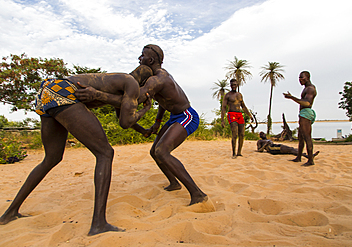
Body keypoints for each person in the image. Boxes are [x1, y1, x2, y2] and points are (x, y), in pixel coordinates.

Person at [0, 65, 153, 236]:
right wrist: (145, 108)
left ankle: (10, 213)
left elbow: (121, 117)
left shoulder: (122, 83)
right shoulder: (131, 83)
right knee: (105, 153)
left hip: (48, 92)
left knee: (51, 158)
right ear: (144, 83)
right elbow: (126, 121)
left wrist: (143, 131)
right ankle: (99, 224)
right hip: (65, 93)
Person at [76, 45, 212, 208]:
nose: (139, 59)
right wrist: (157, 122)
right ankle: (174, 182)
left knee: (162, 151)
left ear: (151, 60)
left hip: (187, 116)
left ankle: (198, 194)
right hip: (175, 116)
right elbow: (163, 101)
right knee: (154, 152)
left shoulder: (156, 80)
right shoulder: (157, 77)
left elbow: (132, 101)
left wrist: (98, 95)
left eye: (141, 56)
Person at [283, 71, 317, 166]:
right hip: (303, 114)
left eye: (302, 78)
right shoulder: (306, 89)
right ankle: (298, 157)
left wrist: (292, 98)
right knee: (301, 137)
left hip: (306, 114)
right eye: (299, 78)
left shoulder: (310, 89)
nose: (300, 80)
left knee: (307, 137)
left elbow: (307, 103)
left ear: (307, 77)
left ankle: (310, 160)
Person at [221, 79, 253, 158]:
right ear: (230, 85)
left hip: (239, 114)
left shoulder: (240, 95)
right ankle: (234, 153)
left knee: (242, 134)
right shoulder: (227, 95)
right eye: (232, 85)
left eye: (235, 84)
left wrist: (249, 115)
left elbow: (243, 106)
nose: (234, 86)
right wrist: (222, 120)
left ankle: (239, 152)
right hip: (232, 114)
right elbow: (223, 107)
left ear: (237, 85)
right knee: (234, 134)